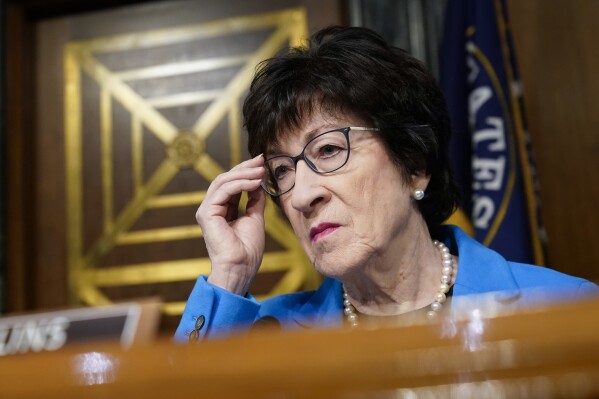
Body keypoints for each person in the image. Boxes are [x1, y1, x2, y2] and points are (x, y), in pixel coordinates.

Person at [175, 26, 597, 342]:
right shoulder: (271, 334)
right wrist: (230, 275)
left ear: (413, 162)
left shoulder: (569, 308)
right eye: (282, 170)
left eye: (327, 150)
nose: (302, 195)